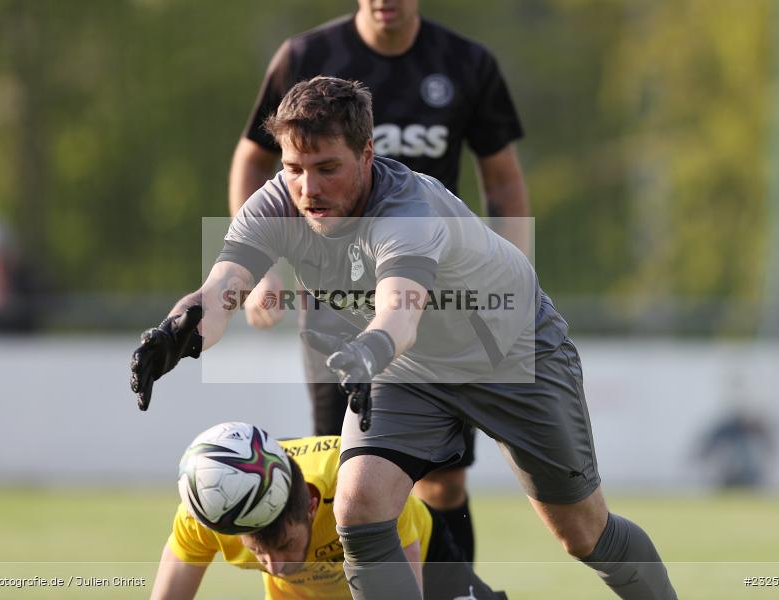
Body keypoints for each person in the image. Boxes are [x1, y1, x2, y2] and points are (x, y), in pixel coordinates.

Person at [132, 77, 677, 599]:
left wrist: (367, 351)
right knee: (359, 505)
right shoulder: (276, 204)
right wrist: (179, 330)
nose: (308, 189)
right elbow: (224, 287)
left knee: (585, 535)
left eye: (327, 168)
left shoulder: (407, 212)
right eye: (294, 168)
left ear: (367, 155)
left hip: (511, 352)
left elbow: (400, 311)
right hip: (405, 367)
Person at [228, 0, 530, 562]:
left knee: (441, 479)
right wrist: (268, 265)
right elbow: (253, 160)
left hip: (436, 308)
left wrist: (505, 291)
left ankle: (453, 590)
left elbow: (504, 182)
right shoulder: (305, 56)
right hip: (333, 303)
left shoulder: (467, 63)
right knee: (343, 466)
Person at [150, 423, 506, 599]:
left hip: (424, 561)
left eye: (287, 544)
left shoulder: (359, 484)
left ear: (310, 505)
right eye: (258, 552)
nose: (277, 567)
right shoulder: (209, 515)